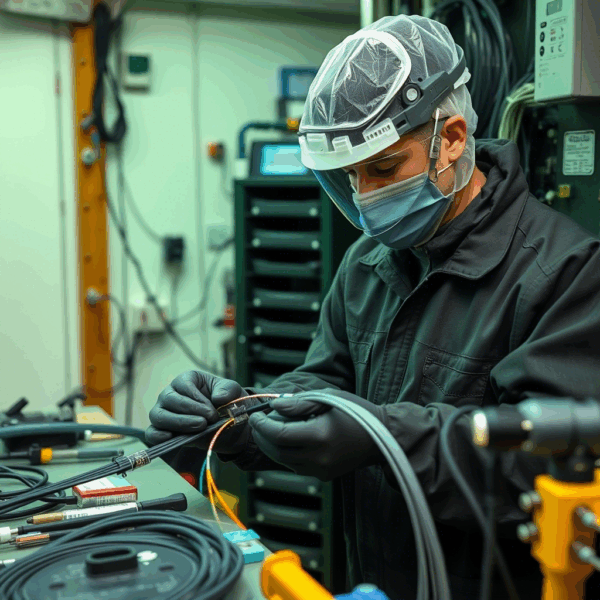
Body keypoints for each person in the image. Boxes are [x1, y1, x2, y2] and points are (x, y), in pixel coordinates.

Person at [146, 15, 600, 600]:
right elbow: (323, 383)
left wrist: (381, 437)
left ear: (452, 138)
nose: (365, 196)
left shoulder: (565, 273)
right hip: (375, 579)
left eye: (383, 168)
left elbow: (549, 472)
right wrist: (238, 418)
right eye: (350, 177)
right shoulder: (369, 261)